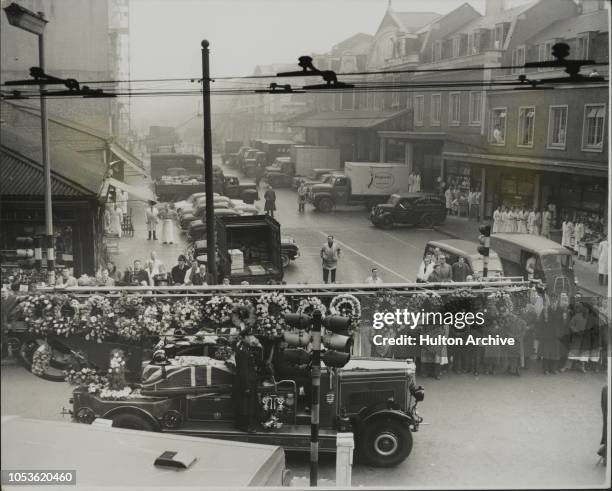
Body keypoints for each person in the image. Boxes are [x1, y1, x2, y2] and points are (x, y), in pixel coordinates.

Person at [234, 331, 264, 432]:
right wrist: (246, 386)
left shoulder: (246, 348)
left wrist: (259, 346)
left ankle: (246, 424)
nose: (251, 337)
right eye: (249, 336)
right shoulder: (243, 350)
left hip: (249, 380)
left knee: (248, 404)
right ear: (243, 337)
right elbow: (243, 370)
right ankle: (244, 425)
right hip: (245, 382)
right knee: (245, 404)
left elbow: (256, 359)